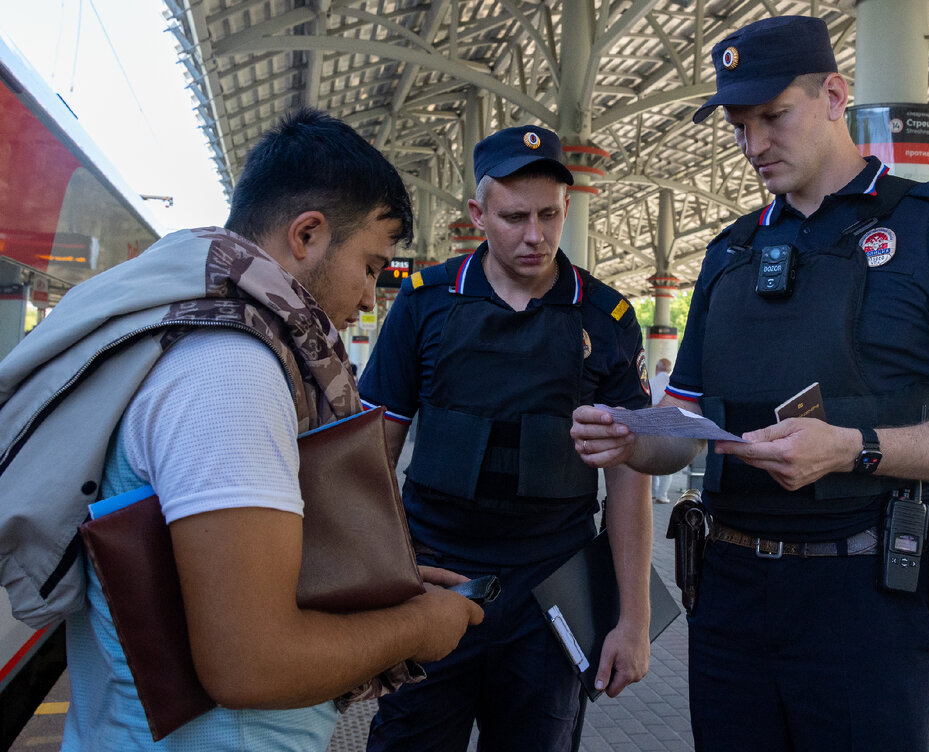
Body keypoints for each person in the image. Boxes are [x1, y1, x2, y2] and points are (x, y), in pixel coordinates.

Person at [570, 15, 929, 752]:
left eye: (773, 116)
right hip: (728, 596)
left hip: (868, 600)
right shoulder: (729, 254)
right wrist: (633, 437)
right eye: (739, 126)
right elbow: (680, 424)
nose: (754, 145)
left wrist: (853, 448)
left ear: (834, 96)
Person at [0, 108, 483, 751]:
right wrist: (421, 627)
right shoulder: (231, 371)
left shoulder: (195, 335)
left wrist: (379, 590)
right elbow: (251, 663)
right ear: (307, 234)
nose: (371, 298)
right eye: (370, 266)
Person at [358, 125, 653, 752]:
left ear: (567, 207)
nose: (535, 236)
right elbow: (374, 457)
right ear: (478, 214)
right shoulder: (424, 304)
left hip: (552, 588)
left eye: (549, 215)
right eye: (514, 217)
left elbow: (629, 477)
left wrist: (633, 619)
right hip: (433, 575)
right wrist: (378, 580)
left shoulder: (607, 318)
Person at [649, 358, 675, 503]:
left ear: (656, 368)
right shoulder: (673, 383)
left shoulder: (651, 382)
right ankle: (662, 494)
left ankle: (652, 492)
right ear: (669, 369)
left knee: (652, 459)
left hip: (652, 425)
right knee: (668, 461)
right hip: (669, 426)